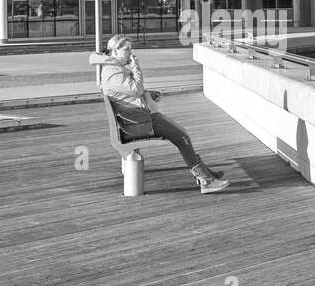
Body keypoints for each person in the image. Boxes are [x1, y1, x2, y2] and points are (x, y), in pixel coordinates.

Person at [92, 34, 229, 193]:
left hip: (136, 117)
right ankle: (205, 180)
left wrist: (148, 93)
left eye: (131, 49)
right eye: (126, 49)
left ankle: (205, 174)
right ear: (115, 52)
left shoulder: (114, 69)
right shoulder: (112, 72)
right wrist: (136, 66)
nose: (130, 52)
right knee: (182, 137)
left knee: (182, 134)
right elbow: (136, 89)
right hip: (137, 122)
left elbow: (127, 91)